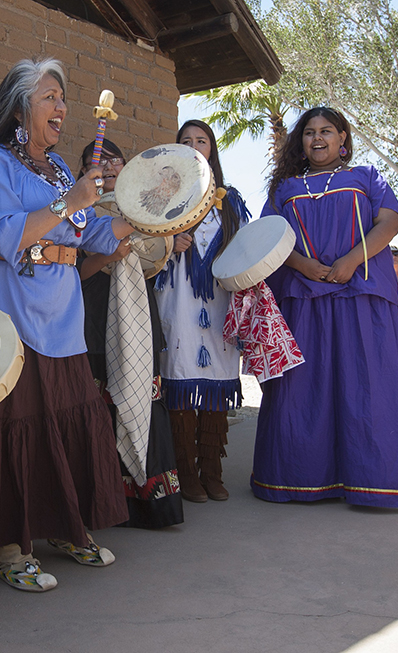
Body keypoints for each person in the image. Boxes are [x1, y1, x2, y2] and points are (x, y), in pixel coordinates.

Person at [0, 58, 135, 592]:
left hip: (61, 317)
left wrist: (141, 215)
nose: (62, 107)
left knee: (70, 416)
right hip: (6, 316)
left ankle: (63, 526)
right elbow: (6, 237)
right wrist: (69, 200)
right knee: (12, 424)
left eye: (63, 98)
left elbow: (92, 234)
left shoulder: (54, 171)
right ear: (20, 107)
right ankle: (10, 542)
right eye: (50, 96)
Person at [251, 107, 398, 507]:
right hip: (302, 299)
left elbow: (390, 223)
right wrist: (303, 264)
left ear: (343, 138)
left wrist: (352, 261)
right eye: (309, 132)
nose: (317, 138)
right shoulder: (285, 188)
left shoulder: (366, 177)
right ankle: (300, 480)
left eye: (327, 130)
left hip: (360, 297)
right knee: (302, 391)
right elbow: (268, 237)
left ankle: (373, 482)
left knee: (367, 387)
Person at [76, 138, 184, 529]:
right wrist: (108, 255)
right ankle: (106, 504)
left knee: (143, 392)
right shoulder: (79, 212)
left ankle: (151, 505)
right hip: (94, 313)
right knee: (101, 400)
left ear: (127, 169)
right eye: (95, 163)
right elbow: (78, 272)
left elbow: (158, 256)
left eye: (113, 162)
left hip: (139, 314)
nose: (105, 168)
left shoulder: (144, 209)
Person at [155, 119, 247, 503]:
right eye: (186, 141)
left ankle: (213, 470)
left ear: (212, 149)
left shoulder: (230, 200)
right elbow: (143, 245)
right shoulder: (162, 196)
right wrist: (168, 241)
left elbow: (247, 248)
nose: (195, 145)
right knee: (180, 380)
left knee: (217, 383)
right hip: (178, 297)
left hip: (220, 298)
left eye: (202, 140)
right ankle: (186, 474)